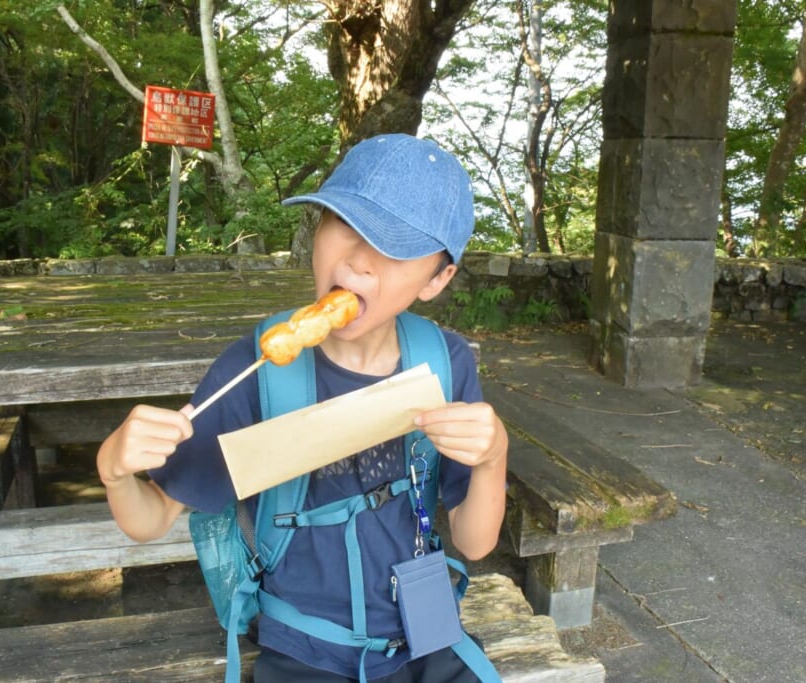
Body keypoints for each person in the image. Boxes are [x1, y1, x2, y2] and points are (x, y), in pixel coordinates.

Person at [96, 133, 508, 682]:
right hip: (304, 649)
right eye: (346, 223)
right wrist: (115, 471)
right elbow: (151, 519)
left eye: (396, 246)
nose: (359, 260)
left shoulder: (443, 361)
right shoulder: (260, 369)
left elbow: (476, 542)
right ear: (317, 231)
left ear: (437, 278)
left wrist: (493, 456)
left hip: (428, 635)